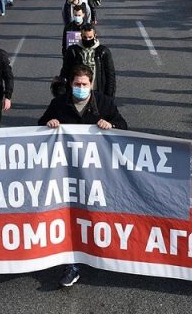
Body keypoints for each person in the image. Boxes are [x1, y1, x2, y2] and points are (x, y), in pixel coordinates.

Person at [38, 64, 127, 288]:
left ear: (91, 85)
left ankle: (103, 251)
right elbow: (39, 127)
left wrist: (112, 125)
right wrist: (49, 125)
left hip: (96, 173)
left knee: (94, 213)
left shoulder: (104, 103)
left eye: (84, 84)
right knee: (69, 215)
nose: (80, 88)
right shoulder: (59, 104)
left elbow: (124, 127)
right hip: (66, 174)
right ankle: (72, 264)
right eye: (76, 84)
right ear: (70, 84)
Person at [60, 25, 116, 98]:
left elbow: (110, 75)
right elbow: (65, 72)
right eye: (85, 37)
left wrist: (109, 95)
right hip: (78, 91)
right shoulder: (73, 51)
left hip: (97, 91)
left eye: (90, 37)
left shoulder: (103, 51)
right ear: (81, 36)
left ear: (95, 35)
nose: (87, 40)